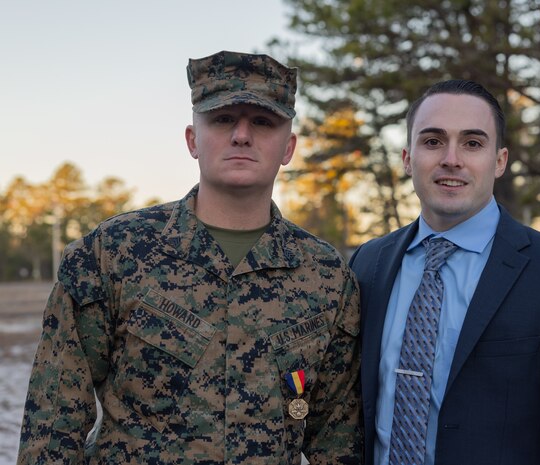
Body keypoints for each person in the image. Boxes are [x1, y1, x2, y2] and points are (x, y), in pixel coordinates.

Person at [17, 50, 362, 465]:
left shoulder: (325, 276)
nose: (241, 135)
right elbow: (53, 423)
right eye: (221, 119)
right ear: (192, 140)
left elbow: (338, 441)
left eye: (263, 122)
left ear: (288, 147)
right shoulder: (113, 252)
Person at [349, 79, 540, 465]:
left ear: (499, 161)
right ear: (407, 158)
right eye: (432, 141)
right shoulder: (367, 265)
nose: (451, 159)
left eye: (473, 143)